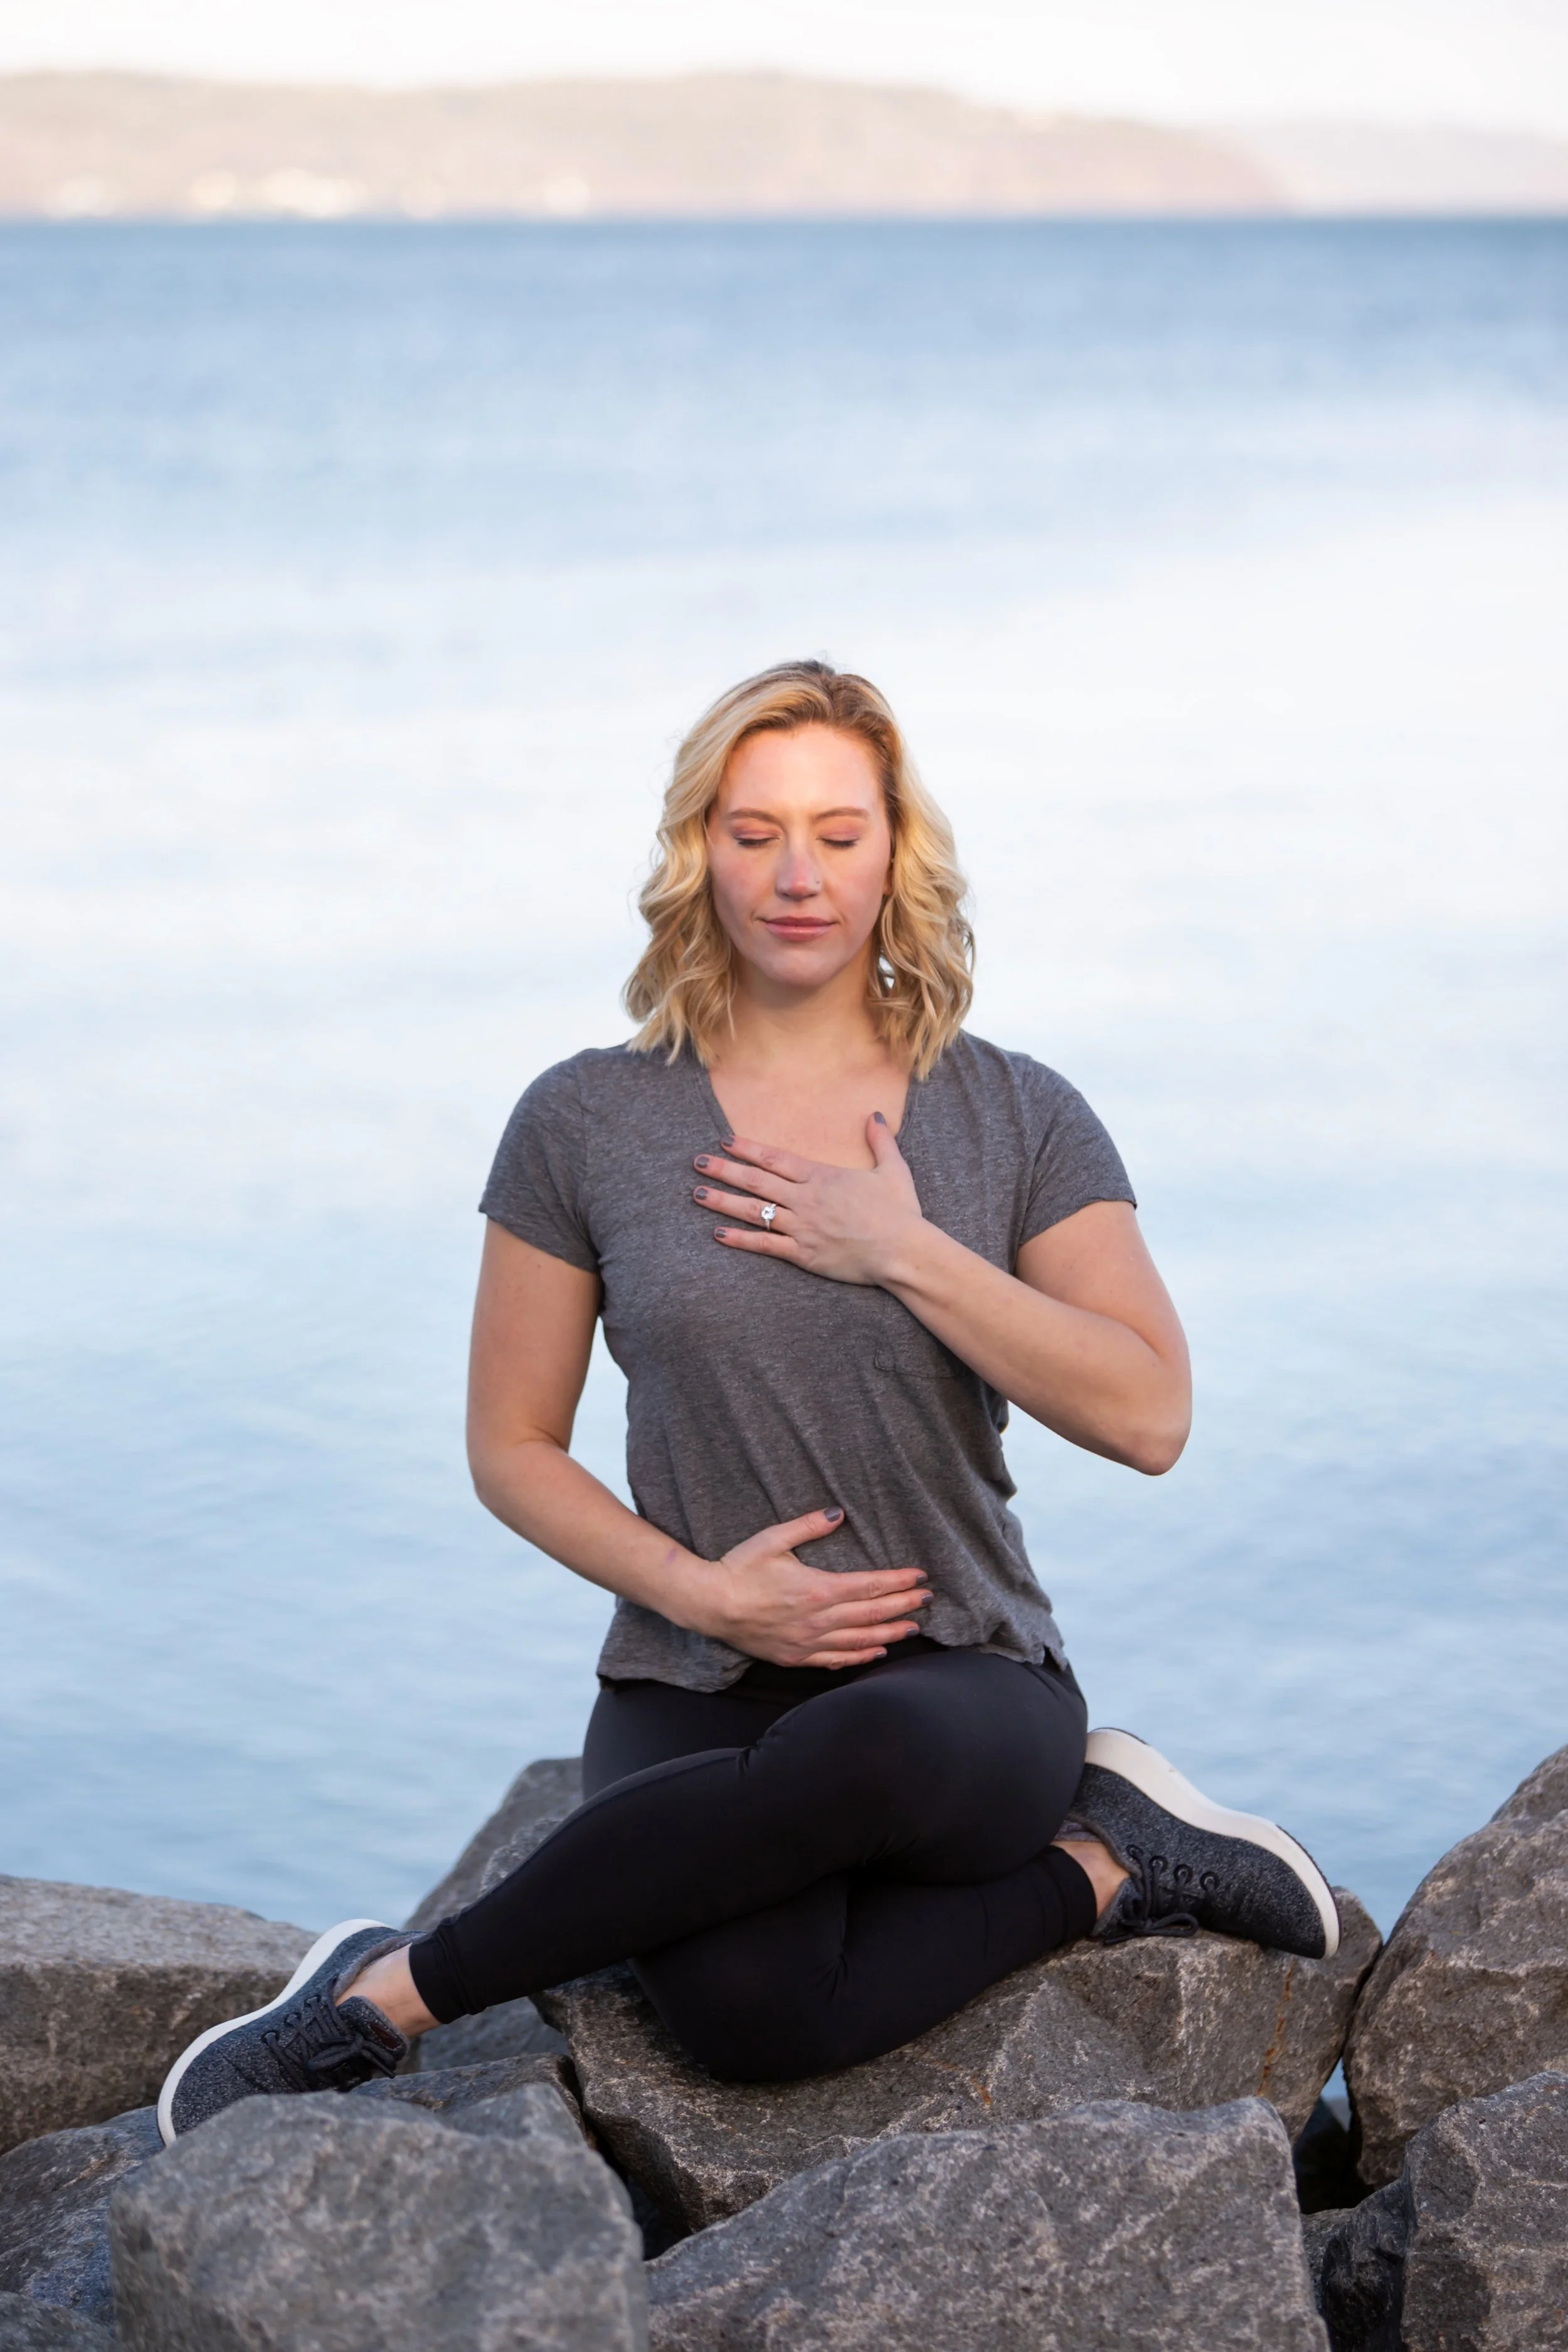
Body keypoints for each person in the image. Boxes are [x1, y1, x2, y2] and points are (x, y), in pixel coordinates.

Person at [157, 660, 1339, 2144]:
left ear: (897, 854)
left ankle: (378, 2005)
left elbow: (1149, 1414)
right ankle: (1109, 1872)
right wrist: (707, 1599)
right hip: (690, 1680)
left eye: (839, 834)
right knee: (749, 2020)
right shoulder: (583, 1119)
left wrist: (902, 1250)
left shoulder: (1015, 1113)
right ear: (694, 851)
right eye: (752, 829)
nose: (796, 876)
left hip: (960, 1683)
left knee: (865, 1750)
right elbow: (510, 1447)